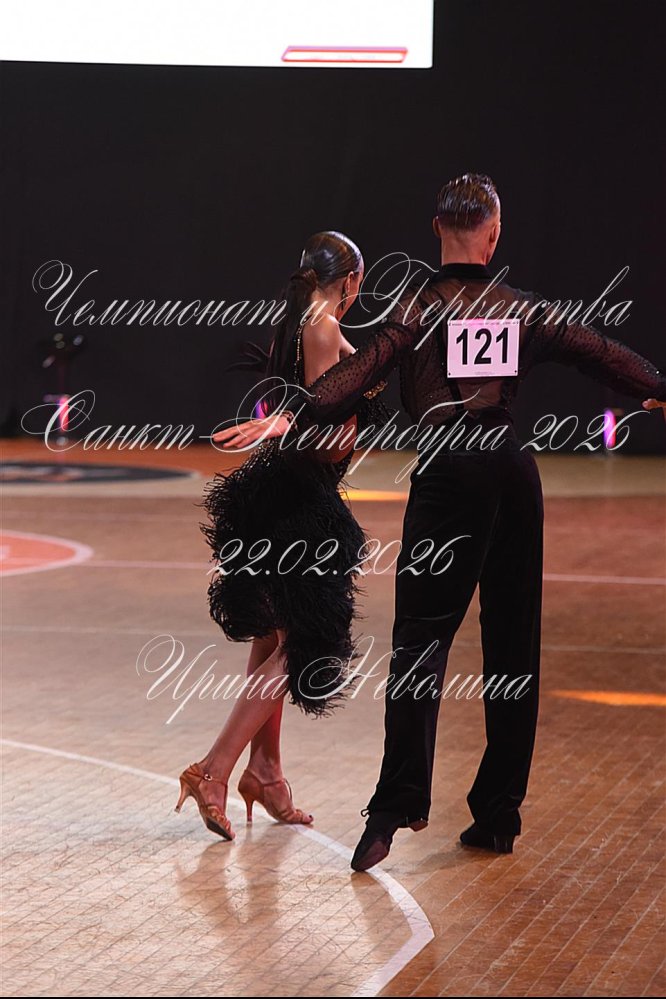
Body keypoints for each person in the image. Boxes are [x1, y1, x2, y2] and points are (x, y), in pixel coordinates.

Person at [221, 174, 666, 870]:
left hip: (448, 481)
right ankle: (498, 816)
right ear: (494, 233)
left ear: (437, 229)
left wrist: (290, 414)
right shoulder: (519, 308)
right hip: (512, 477)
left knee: (419, 646)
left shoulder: (417, 308)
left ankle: (389, 815)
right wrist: (658, 387)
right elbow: (597, 351)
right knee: (513, 647)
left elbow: (354, 376)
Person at [175, 230, 391, 841]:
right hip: (302, 501)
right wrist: (317, 425)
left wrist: (292, 420)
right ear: (352, 281)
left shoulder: (296, 322)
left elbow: (308, 406)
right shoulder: (323, 326)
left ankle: (265, 773)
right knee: (308, 644)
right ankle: (214, 770)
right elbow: (322, 433)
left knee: (272, 635)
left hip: (278, 493)